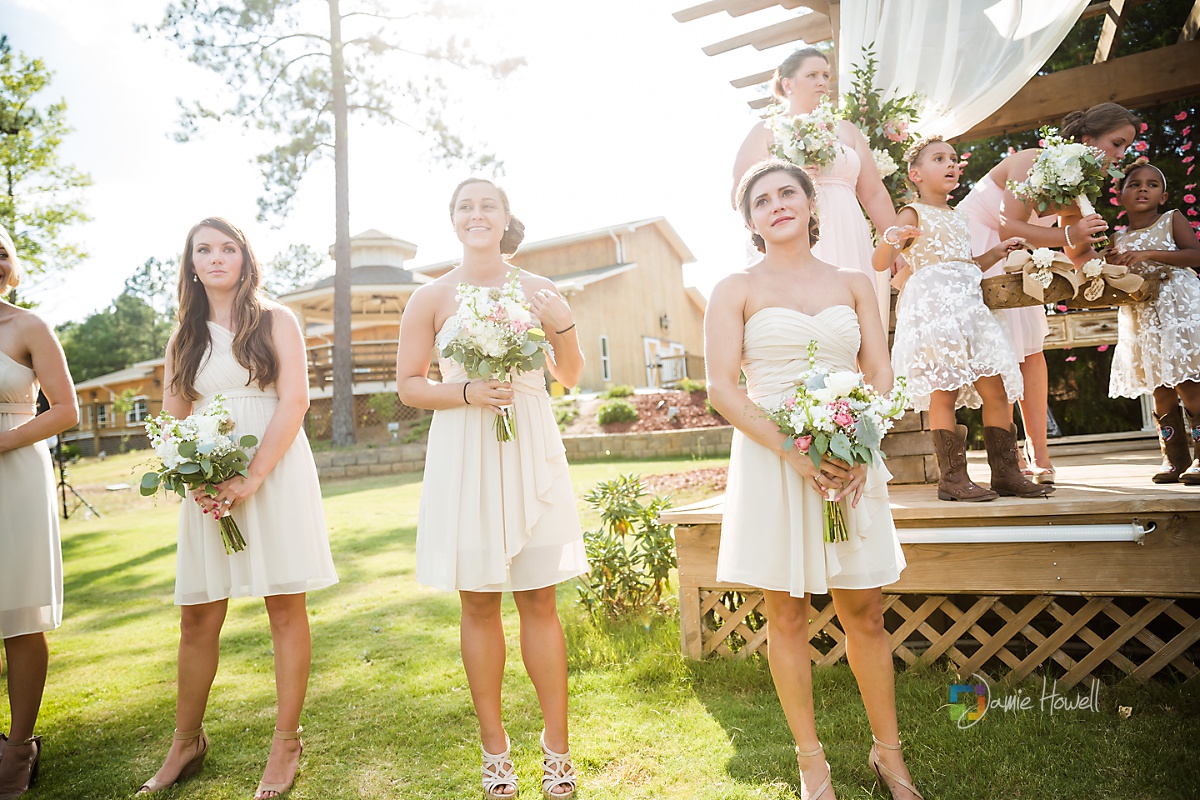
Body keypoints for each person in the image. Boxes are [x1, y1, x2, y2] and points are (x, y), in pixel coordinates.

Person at [706, 159, 921, 800]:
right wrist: (794, 453)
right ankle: (811, 765)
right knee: (788, 616)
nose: (776, 205)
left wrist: (859, 447)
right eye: (762, 200)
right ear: (749, 220)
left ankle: (889, 755)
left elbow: (879, 374)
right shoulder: (734, 289)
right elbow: (721, 387)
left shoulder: (856, 283)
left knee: (866, 613)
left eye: (786, 194)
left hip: (849, 456)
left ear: (809, 203)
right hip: (775, 461)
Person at [396, 179, 588, 799]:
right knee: (478, 603)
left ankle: (556, 752)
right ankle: (495, 754)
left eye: (488, 205)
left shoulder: (536, 288)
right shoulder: (430, 296)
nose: (477, 215)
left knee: (539, 602)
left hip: (530, 441)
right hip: (465, 449)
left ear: (506, 218)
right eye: (465, 206)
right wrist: (467, 392)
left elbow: (571, 375)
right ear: (452, 220)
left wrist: (563, 326)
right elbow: (409, 386)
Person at [138, 218, 338, 799]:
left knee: (284, 605)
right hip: (208, 480)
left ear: (245, 258)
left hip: (273, 470)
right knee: (198, 614)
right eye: (205, 249)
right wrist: (189, 479)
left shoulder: (277, 319)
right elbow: (173, 419)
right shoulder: (184, 338)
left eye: (228, 247)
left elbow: (295, 399)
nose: (216, 257)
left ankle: (286, 742)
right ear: (192, 263)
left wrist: (252, 477)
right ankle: (185, 741)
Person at [958, 103, 1141, 483]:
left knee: (1032, 352)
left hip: (1018, 256)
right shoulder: (1030, 161)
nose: (1122, 155)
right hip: (978, 247)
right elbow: (1011, 226)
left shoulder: (1081, 188)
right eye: (1117, 143)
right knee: (1001, 349)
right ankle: (1009, 460)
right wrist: (1070, 236)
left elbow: (1074, 250)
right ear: (1088, 141)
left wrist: (1102, 258)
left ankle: (1039, 453)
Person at [877, 138, 1053, 502]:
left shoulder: (959, 217)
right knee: (945, 392)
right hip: (935, 313)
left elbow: (965, 267)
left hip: (970, 311)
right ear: (915, 174)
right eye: (939, 159)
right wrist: (893, 237)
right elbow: (880, 263)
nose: (951, 164)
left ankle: (1006, 473)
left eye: (954, 159)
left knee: (996, 388)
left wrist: (995, 253)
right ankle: (953, 479)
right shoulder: (912, 212)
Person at [732, 47, 896, 327]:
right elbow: (739, 194)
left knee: (858, 320)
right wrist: (788, 177)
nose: (823, 82)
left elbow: (874, 192)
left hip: (848, 229)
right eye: (812, 75)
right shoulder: (765, 131)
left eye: (825, 75)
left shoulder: (847, 130)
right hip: (796, 234)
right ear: (788, 83)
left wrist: (896, 246)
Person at [0, 224, 78, 799]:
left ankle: (19, 750)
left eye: (0, 253)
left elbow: (67, 410)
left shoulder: (28, 327)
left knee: (19, 616)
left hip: (17, 475)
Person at [1107, 163, 1200, 482]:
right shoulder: (1117, 238)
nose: (1143, 189)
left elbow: (1194, 255)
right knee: (1159, 387)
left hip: (1179, 312)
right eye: (1134, 184)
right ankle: (1173, 459)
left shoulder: (1171, 219)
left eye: (1151, 184)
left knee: (1188, 384)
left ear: (1164, 194)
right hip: (1144, 318)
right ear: (1120, 196)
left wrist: (1148, 254)